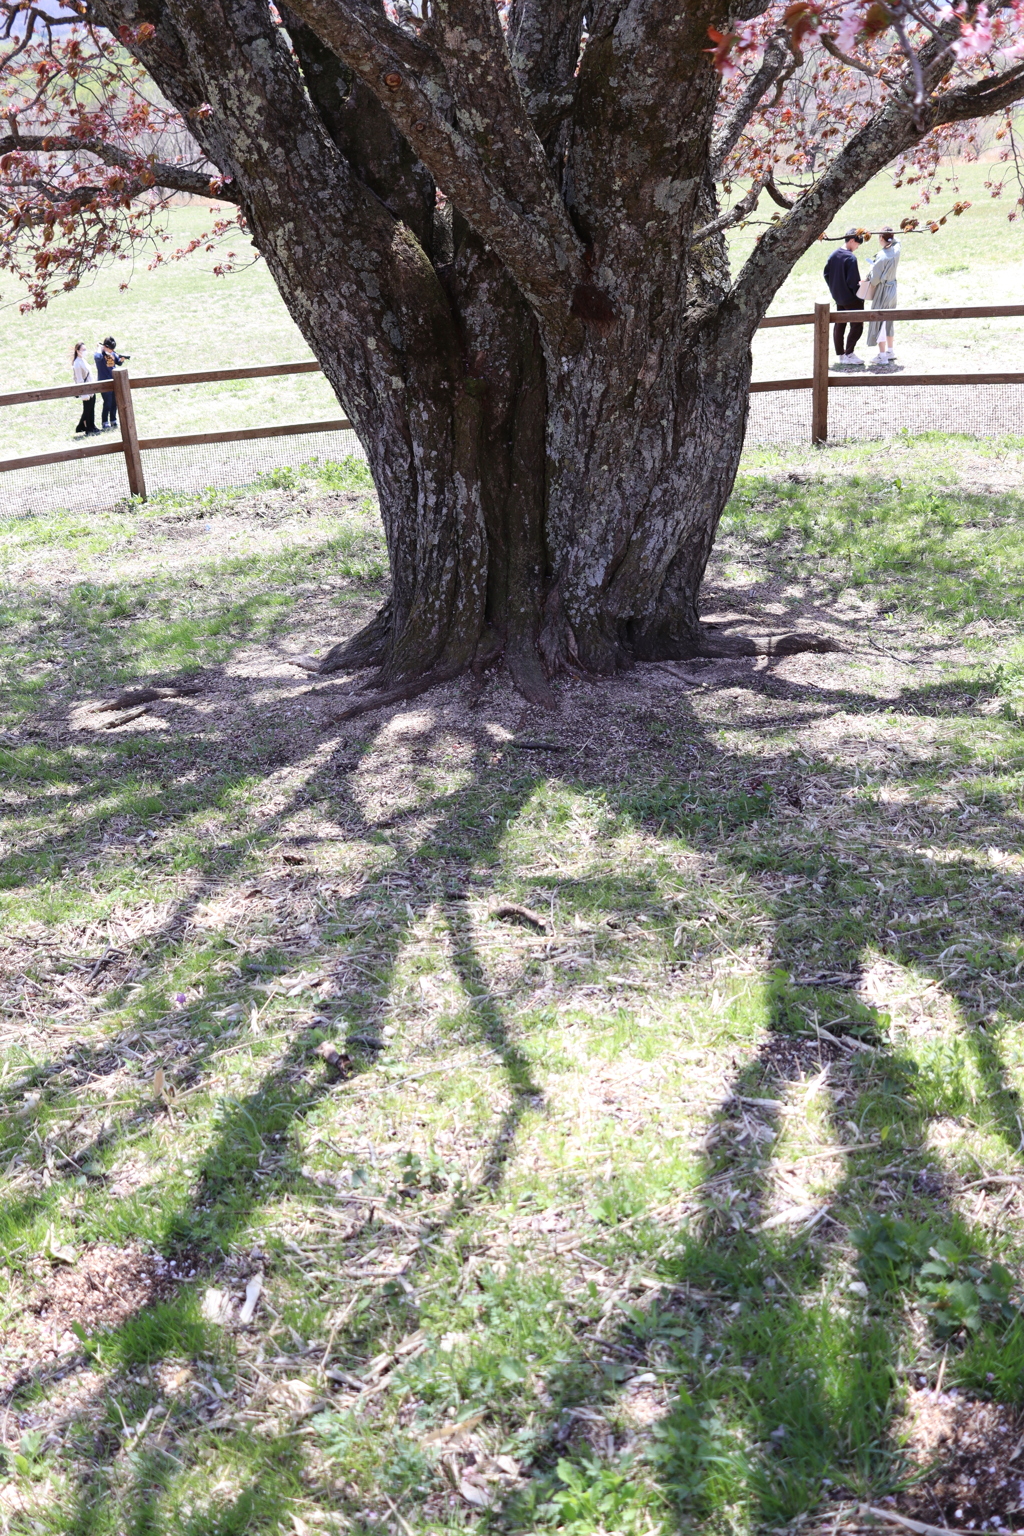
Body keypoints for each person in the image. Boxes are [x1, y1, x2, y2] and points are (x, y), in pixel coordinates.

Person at [823, 228, 865, 369]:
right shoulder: (850, 258)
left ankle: (841, 354)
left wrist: (835, 289)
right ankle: (849, 353)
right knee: (857, 325)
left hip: (838, 297)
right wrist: (861, 293)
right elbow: (853, 282)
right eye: (858, 244)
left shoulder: (833, 255)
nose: (857, 247)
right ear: (852, 240)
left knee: (840, 324)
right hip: (852, 298)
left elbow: (826, 274)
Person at [866, 227, 902, 370]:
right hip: (893, 288)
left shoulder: (882, 256)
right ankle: (890, 350)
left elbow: (874, 280)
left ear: (881, 238)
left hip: (883, 290)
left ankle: (882, 354)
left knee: (879, 319)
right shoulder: (896, 250)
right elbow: (898, 240)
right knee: (889, 319)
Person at [94, 336, 130, 429]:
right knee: (107, 402)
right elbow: (97, 358)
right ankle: (105, 422)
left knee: (115, 401)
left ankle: (113, 420)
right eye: (111, 348)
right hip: (104, 382)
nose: (112, 350)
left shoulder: (112, 353)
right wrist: (99, 348)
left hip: (114, 381)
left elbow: (117, 362)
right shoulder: (100, 354)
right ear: (105, 346)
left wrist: (121, 360)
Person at [72, 342, 100, 436]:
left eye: (85, 349)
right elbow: (79, 379)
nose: (85, 351)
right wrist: (84, 393)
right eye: (83, 350)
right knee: (87, 409)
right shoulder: (77, 363)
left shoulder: (82, 360)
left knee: (91, 408)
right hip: (86, 389)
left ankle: (91, 426)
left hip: (91, 388)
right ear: (77, 351)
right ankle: (87, 427)